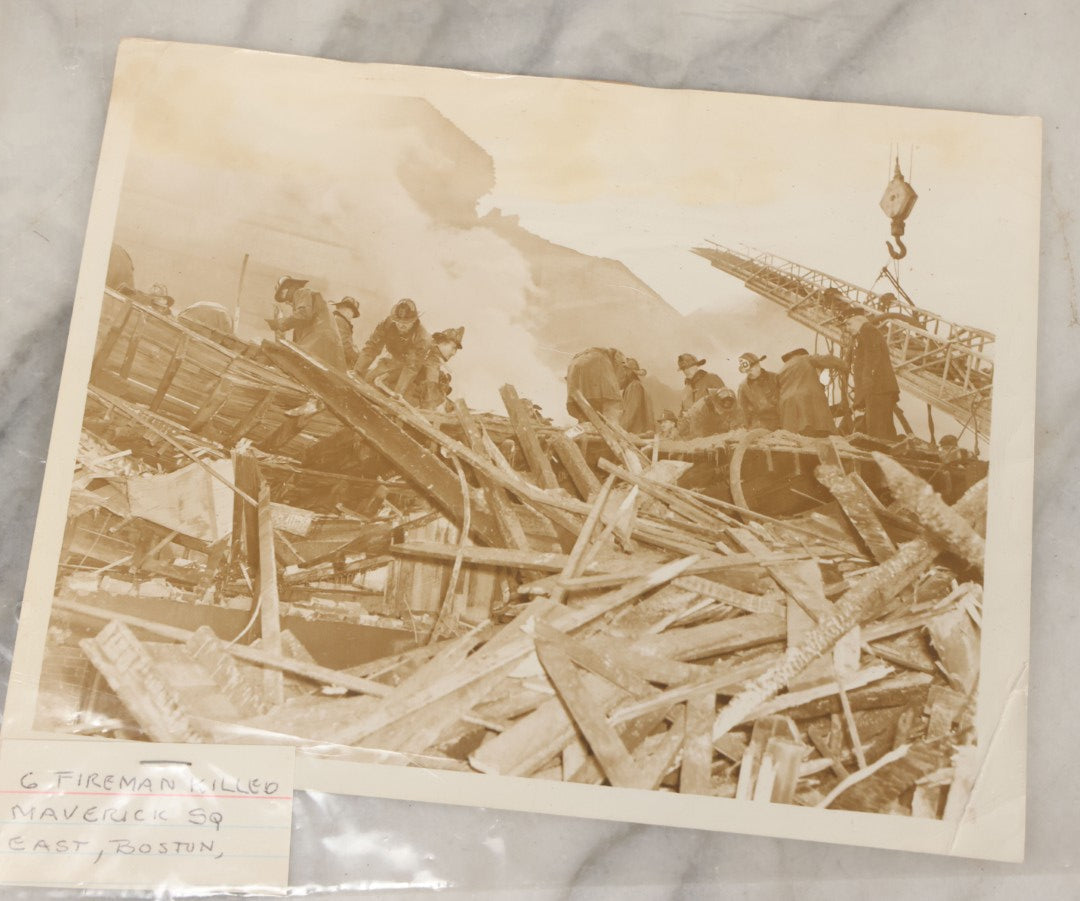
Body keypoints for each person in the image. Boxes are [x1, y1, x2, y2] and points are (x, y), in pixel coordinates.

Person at [353, 298, 433, 395]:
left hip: (410, 369)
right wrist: (357, 372)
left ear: (414, 320)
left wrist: (398, 393)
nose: (401, 325)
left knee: (393, 393)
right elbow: (372, 347)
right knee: (368, 380)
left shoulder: (422, 338)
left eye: (406, 323)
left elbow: (411, 367)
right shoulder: (386, 324)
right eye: (398, 321)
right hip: (391, 361)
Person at [266, 275, 346, 371]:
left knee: (295, 365)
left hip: (318, 340)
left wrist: (280, 323)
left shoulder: (301, 292)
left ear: (289, 287)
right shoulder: (305, 298)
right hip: (327, 343)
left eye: (283, 295)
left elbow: (303, 315)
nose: (285, 301)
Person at [845, 313, 900, 440]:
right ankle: (885, 445)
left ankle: (881, 447)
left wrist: (868, 376)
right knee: (880, 422)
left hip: (878, 386)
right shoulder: (863, 334)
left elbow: (873, 353)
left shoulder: (868, 330)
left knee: (878, 424)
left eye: (849, 324)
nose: (847, 328)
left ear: (859, 321)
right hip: (878, 386)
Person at [777, 348, 847, 436]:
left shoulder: (782, 370)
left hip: (789, 417)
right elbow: (827, 359)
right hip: (809, 412)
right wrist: (845, 364)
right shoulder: (805, 358)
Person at [565, 347, 626, 423]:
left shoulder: (581, 357)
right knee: (611, 407)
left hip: (574, 368)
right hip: (597, 365)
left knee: (585, 420)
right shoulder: (606, 358)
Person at [412, 326, 464, 410]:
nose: (454, 353)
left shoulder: (427, 355)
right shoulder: (432, 361)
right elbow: (430, 397)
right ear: (441, 343)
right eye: (453, 347)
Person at [736, 351, 781, 430]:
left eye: (751, 368)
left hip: (781, 420)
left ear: (758, 365)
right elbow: (743, 410)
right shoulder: (743, 387)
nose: (749, 372)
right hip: (760, 424)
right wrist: (746, 427)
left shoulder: (775, 378)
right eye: (746, 370)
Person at [677, 387, 743, 439]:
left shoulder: (735, 407)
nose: (722, 411)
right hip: (691, 426)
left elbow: (738, 424)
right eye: (720, 408)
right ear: (714, 402)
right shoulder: (700, 407)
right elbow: (696, 432)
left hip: (714, 425)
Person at [618, 357, 655, 435]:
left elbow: (630, 414)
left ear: (629, 372)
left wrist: (618, 430)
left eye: (623, 371)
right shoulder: (631, 387)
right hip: (634, 433)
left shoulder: (634, 386)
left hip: (636, 434)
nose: (620, 376)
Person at [332, 296, 361, 369]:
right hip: (333, 362)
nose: (351, 317)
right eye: (352, 313)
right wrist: (359, 359)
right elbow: (346, 347)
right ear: (348, 311)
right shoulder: (342, 322)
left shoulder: (334, 318)